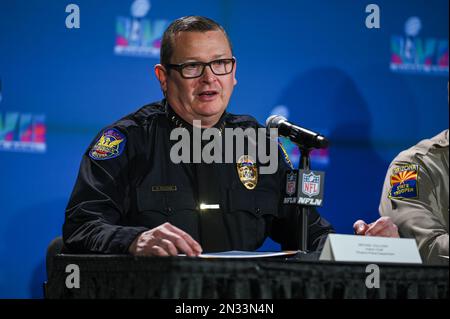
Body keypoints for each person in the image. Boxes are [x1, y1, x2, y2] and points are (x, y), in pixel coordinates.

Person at [63, 15, 397, 257]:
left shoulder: (259, 142)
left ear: (233, 72)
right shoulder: (128, 140)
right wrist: (135, 240)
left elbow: (306, 232)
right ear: (163, 78)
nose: (209, 79)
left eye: (220, 64)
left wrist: (363, 245)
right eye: (193, 66)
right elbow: (82, 226)